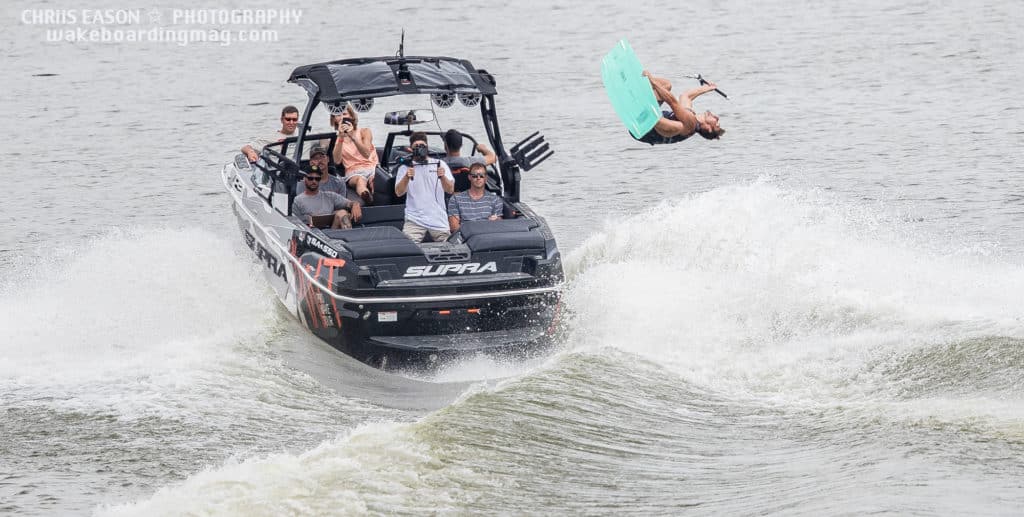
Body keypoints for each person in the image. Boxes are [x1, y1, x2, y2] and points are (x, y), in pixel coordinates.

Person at [633, 71, 725, 145]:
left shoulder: (691, 124)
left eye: (717, 123)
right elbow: (686, 96)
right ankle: (638, 85)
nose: (717, 118)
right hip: (646, 124)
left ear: (708, 128)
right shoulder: (691, 117)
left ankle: (648, 113)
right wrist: (707, 88)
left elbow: (672, 102)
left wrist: (653, 81)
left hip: (642, 130)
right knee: (666, 85)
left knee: (679, 127)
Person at [394, 132, 455, 242]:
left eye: (422, 146)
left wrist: (442, 177)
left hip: (437, 218)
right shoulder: (405, 167)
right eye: (416, 147)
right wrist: (406, 177)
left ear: (427, 148)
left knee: (448, 245)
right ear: (411, 150)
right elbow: (398, 192)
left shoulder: (439, 163)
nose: (420, 149)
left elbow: (450, 189)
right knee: (408, 247)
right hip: (415, 219)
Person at [331, 104, 378, 204]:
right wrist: (341, 137)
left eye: (345, 114)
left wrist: (352, 136)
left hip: (372, 167)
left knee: (373, 179)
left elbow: (366, 153)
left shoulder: (365, 132)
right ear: (334, 119)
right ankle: (366, 196)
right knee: (360, 181)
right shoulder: (336, 140)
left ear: (351, 116)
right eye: (338, 115)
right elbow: (337, 161)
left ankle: (376, 197)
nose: (342, 118)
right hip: (353, 171)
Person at [292, 170, 362, 229]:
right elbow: (295, 223)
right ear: (304, 179)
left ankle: (348, 238)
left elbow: (349, 203)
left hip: (331, 235)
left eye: (317, 179)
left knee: (343, 213)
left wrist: (355, 204)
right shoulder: (298, 200)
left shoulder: (330, 196)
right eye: (310, 178)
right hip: (311, 234)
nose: (314, 181)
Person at [447, 163, 504, 232]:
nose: (478, 178)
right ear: (469, 177)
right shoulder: (455, 199)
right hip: (466, 238)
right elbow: (454, 227)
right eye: (474, 176)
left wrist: (496, 220)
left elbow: (499, 225)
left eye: (481, 176)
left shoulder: (496, 199)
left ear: (486, 178)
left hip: (489, 236)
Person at [242, 105, 309, 162]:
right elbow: (246, 147)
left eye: (294, 120)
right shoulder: (270, 138)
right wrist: (251, 152)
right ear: (282, 120)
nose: (291, 123)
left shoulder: (304, 137)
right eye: (288, 119)